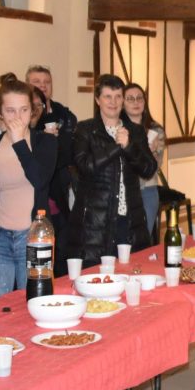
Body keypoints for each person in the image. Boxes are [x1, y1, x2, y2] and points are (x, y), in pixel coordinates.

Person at [68, 75, 157, 266]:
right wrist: (116, 147)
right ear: (97, 99)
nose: (113, 102)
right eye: (107, 96)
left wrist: (129, 147)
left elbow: (149, 168)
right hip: (95, 222)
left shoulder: (135, 131)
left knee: (131, 272)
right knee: (97, 276)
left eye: (118, 96)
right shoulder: (85, 129)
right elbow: (84, 166)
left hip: (129, 219)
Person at [0, 80, 57, 295]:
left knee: (37, 300)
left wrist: (19, 143)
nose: (17, 117)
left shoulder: (46, 142)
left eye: (24, 110)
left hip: (35, 236)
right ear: (0, 112)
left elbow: (40, 180)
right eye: (11, 110)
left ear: (32, 111)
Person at [26, 65, 78, 277]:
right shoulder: (24, 118)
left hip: (59, 198)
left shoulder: (64, 115)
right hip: (31, 202)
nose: (42, 86)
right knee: (37, 261)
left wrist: (53, 145)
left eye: (46, 82)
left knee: (61, 257)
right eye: (36, 82)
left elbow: (69, 154)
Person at [122, 83, 166, 236]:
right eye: (130, 99)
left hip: (147, 190)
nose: (136, 102)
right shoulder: (119, 129)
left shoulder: (155, 130)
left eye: (139, 98)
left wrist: (150, 152)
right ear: (123, 103)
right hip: (124, 190)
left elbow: (155, 166)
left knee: (143, 237)